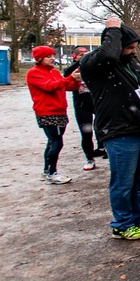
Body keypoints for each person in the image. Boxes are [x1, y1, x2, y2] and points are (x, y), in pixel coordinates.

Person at [79, 18, 140, 240]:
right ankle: (122, 223)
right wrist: (113, 28)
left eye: (135, 47)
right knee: (123, 181)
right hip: (119, 131)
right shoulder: (95, 63)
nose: (132, 51)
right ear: (114, 44)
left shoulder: (131, 62)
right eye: (128, 47)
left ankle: (137, 216)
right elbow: (108, 54)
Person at [26, 46, 81, 184]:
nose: (52, 58)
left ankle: (47, 170)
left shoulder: (54, 72)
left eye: (52, 55)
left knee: (52, 141)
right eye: (48, 56)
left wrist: (75, 80)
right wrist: (69, 78)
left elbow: (68, 87)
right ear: (39, 59)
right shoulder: (34, 73)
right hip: (47, 112)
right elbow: (50, 86)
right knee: (56, 142)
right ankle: (52, 172)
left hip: (60, 111)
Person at [62, 46, 106, 171]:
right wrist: (79, 63)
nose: (85, 58)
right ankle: (89, 158)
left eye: (86, 55)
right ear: (75, 57)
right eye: (81, 56)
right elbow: (66, 76)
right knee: (86, 133)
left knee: (102, 128)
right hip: (82, 105)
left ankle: (102, 148)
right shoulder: (72, 70)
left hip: (97, 102)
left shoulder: (93, 67)